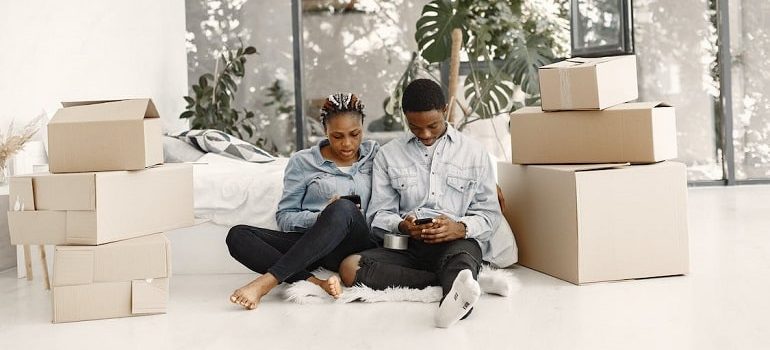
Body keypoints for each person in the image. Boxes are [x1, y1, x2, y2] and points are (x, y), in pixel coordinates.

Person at [338, 79, 512, 328]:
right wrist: (403, 226)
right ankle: (457, 280)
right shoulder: (389, 155)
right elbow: (378, 214)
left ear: (444, 110)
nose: (426, 134)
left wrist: (459, 227)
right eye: (415, 127)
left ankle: (453, 302)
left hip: (456, 244)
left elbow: (489, 214)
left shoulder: (474, 153)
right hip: (409, 246)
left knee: (461, 260)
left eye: (432, 125)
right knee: (349, 267)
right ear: (405, 118)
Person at [226, 93, 378, 310]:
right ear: (324, 130)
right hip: (313, 247)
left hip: (356, 245)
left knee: (343, 208)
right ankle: (316, 283)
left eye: (355, 134)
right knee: (238, 236)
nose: (347, 144)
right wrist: (323, 216)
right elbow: (285, 217)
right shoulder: (303, 162)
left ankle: (265, 283)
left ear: (363, 127)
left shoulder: (375, 155)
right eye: (337, 136)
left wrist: (338, 212)